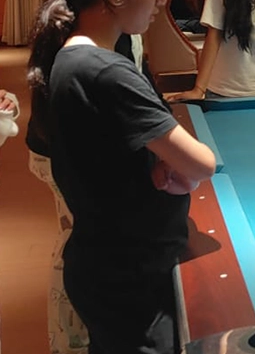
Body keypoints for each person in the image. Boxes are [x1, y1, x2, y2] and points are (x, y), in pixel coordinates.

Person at [26, 0, 217, 354]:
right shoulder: (106, 71)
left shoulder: (71, 58)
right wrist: (174, 162)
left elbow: (105, 156)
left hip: (107, 263)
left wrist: (155, 163)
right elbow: (202, 162)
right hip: (130, 275)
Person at [26, 33, 160, 354]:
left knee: (84, 239)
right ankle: (71, 344)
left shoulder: (119, 31)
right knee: (83, 238)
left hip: (74, 146)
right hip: (65, 149)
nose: (159, 6)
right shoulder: (93, 38)